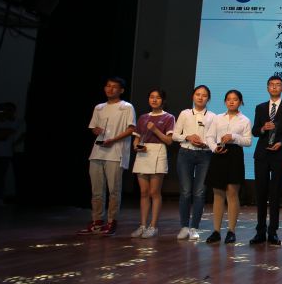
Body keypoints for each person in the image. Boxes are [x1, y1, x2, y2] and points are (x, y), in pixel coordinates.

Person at [79, 77, 136, 237]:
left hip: (115, 153)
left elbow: (131, 128)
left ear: (121, 90)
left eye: (114, 87)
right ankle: (97, 221)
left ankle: (112, 221)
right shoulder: (99, 107)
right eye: (108, 86)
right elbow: (93, 127)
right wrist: (96, 131)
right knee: (97, 190)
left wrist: (113, 139)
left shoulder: (126, 107)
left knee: (114, 191)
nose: (110, 89)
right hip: (98, 151)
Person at [250, 76, 282, 245]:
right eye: (271, 85)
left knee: (275, 193)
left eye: (278, 85)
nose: (274, 87)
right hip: (262, 155)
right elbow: (255, 131)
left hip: (280, 154)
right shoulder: (260, 107)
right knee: (261, 193)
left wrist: (281, 143)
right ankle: (260, 231)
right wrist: (263, 128)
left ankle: (273, 232)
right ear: (267, 88)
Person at [204, 90, 252, 244]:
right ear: (225, 101)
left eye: (235, 99)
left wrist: (233, 137)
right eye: (229, 99)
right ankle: (216, 231)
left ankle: (231, 230)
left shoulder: (245, 120)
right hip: (219, 154)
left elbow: (248, 141)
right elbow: (209, 137)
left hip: (235, 155)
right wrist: (214, 148)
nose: (231, 102)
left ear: (240, 102)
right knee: (218, 193)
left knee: (232, 192)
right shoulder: (217, 118)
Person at [130, 89, 175, 238]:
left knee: (154, 192)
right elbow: (136, 138)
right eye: (151, 97)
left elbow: (169, 141)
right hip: (143, 154)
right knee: (143, 192)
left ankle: (153, 226)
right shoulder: (143, 117)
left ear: (163, 100)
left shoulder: (169, 117)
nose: (154, 100)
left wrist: (155, 129)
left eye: (158, 97)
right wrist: (136, 146)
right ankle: (142, 225)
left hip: (158, 152)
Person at [173, 85, 215, 240]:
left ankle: (194, 228)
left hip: (205, 155)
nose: (200, 97)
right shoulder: (184, 113)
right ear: (193, 96)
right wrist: (188, 137)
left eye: (204, 95)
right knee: (185, 191)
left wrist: (205, 143)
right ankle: (184, 226)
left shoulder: (213, 116)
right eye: (198, 94)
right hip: (186, 153)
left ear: (208, 99)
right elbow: (175, 135)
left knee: (200, 192)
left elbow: (214, 138)